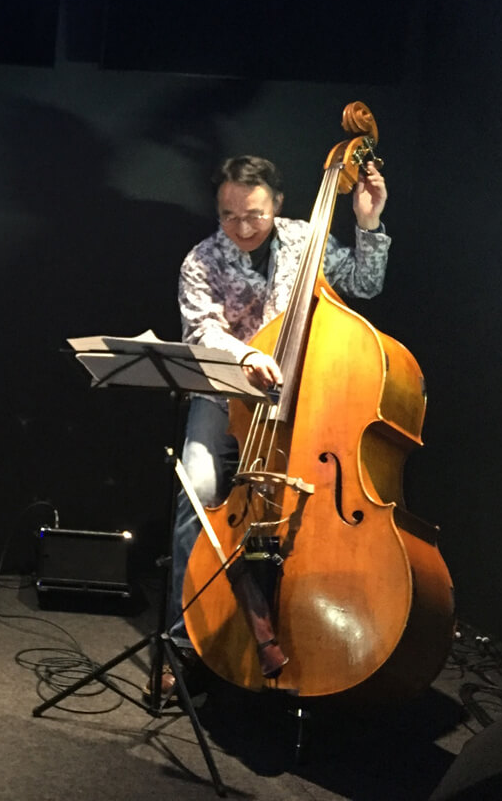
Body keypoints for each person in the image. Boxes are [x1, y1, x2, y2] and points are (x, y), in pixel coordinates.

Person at [164, 154, 390, 693]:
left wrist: (368, 221)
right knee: (197, 492)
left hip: (299, 405)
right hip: (223, 398)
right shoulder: (201, 260)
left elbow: (365, 284)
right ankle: (182, 643)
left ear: (278, 205)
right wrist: (245, 355)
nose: (242, 228)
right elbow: (200, 332)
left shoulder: (305, 239)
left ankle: (301, 627)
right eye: (229, 215)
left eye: (254, 215)